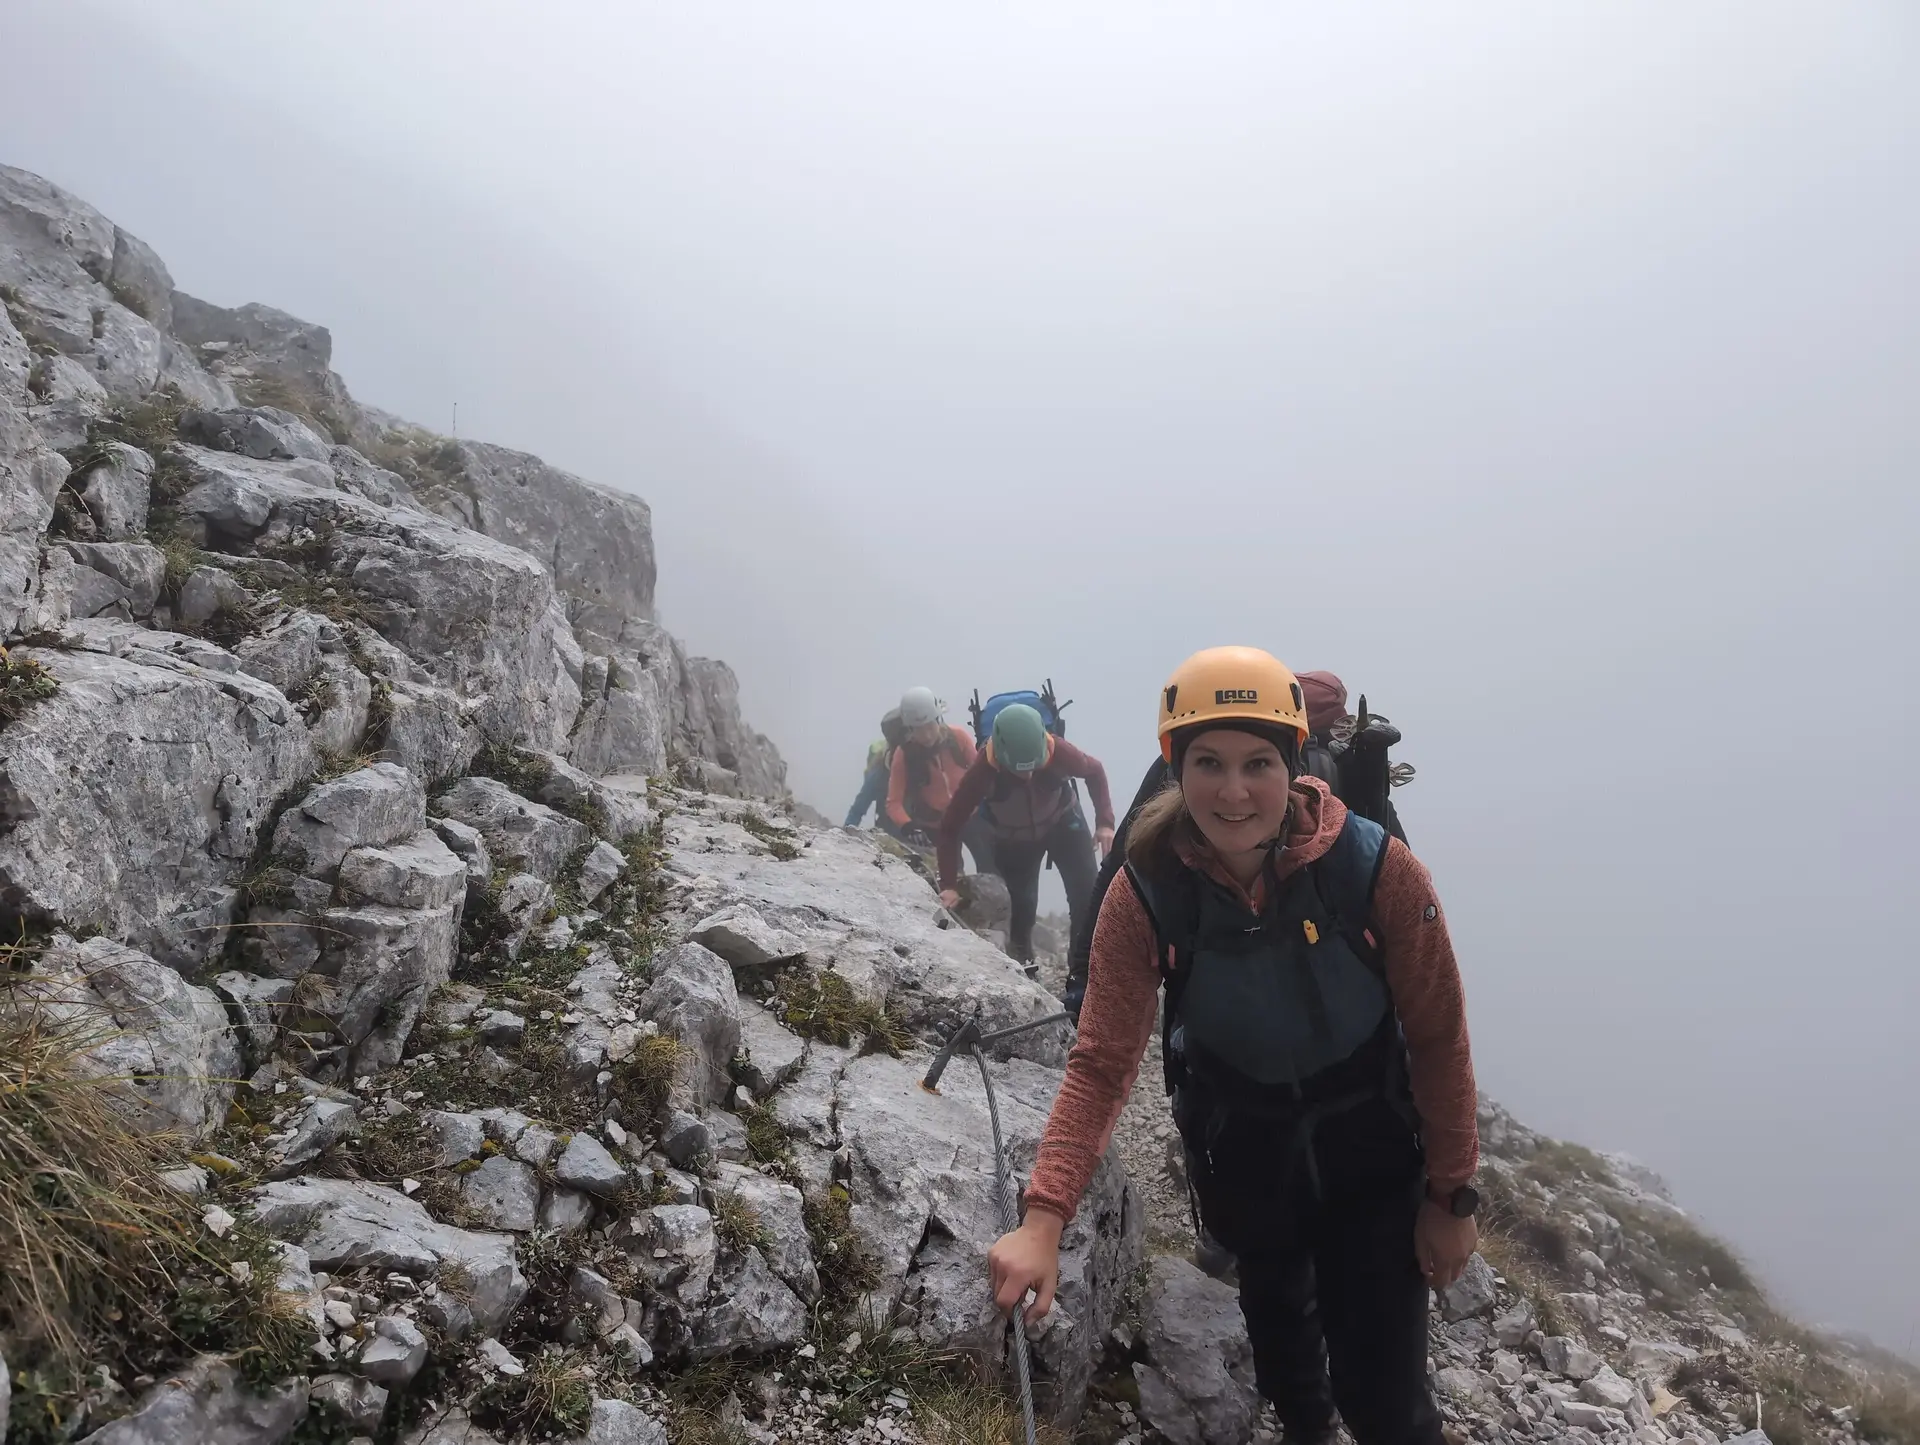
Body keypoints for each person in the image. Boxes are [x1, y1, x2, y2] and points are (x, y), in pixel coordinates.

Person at [988, 647, 1478, 1445]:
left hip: (1373, 1163)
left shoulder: (1377, 870)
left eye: (1258, 762)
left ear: (1293, 763)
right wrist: (1043, 1219)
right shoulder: (1145, 890)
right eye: (1208, 762)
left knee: (1388, 1404)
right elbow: (1102, 1063)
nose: (1234, 790)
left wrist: (1452, 1196)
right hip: (1247, 1162)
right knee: (1288, 1371)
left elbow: (1438, 1036)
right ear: (1176, 769)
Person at [933, 702, 1116, 972]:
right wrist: (948, 884)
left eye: (1035, 766)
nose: (1029, 775)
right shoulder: (982, 771)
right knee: (1021, 910)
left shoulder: (1059, 751)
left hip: (1064, 823)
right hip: (1016, 841)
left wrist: (1105, 824)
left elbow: (1095, 770)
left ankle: (1082, 973)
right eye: (1020, 770)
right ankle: (1025, 970)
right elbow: (949, 827)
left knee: (1087, 897)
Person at [885, 686, 996, 872]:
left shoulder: (958, 738)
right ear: (910, 728)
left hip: (969, 815)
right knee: (950, 874)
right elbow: (893, 802)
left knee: (991, 865)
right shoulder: (904, 755)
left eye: (930, 726)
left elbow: (980, 771)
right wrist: (908, 826)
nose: (927, 735)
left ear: (938, 719)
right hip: (936, 825)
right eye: (919, 730)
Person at [845, 708, 907, 838]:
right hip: (894, 832)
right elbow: (859, 808)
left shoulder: (880, 770)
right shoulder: (880, 773)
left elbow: (857, 809)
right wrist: (845, 835)